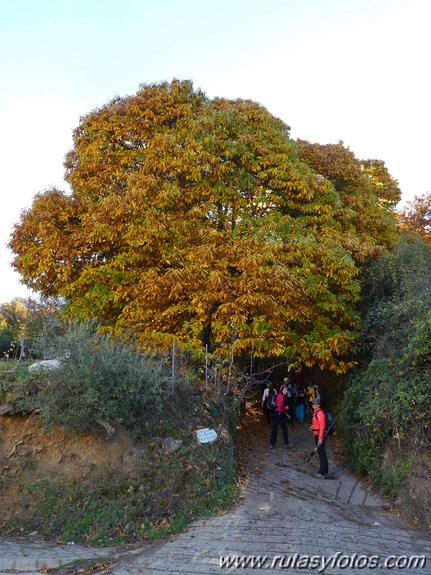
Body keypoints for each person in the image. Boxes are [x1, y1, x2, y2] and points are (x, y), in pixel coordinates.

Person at [269, 385, 293, 449]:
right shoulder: (282, 396)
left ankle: (272, 444)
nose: (286, 391)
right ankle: (286, 443)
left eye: (287, 390)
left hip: (274, 413)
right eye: (285, 389)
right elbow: (279, 405)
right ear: (281, 390)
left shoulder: (278, 395)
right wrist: (285, 407)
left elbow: (278, 406)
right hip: (279, 414)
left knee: (274, 429)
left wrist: (286, 414)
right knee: (284, 428)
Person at [310, 396, 328, 478]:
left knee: (321, 452)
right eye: (313, 403)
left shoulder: (319, 413)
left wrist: (320, 438)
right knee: (321, 452)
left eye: (316, 403)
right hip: (316, 434)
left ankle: (322, 472)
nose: (314, 405)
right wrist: (312, 427)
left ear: (319, 405)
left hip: (320, 435)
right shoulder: (315, 412)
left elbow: (322, 426)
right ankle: (325, 470)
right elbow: (316, 423)